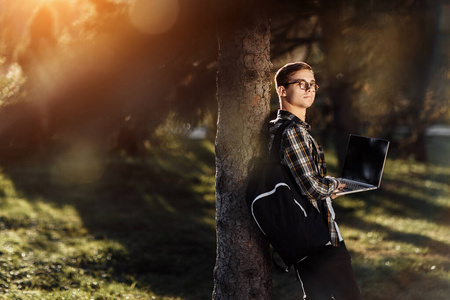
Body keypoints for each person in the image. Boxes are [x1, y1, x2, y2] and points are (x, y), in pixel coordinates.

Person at [270, 62, 362, 300]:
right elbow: (312, 187)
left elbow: (299, 182)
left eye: (312, 84)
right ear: (282, 90)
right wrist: (336, 184)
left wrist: (329, 189)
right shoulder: (293, 131)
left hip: (302, 236)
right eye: (301, 84)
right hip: (321, 236)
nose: (309, 89)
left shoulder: (277, 128)